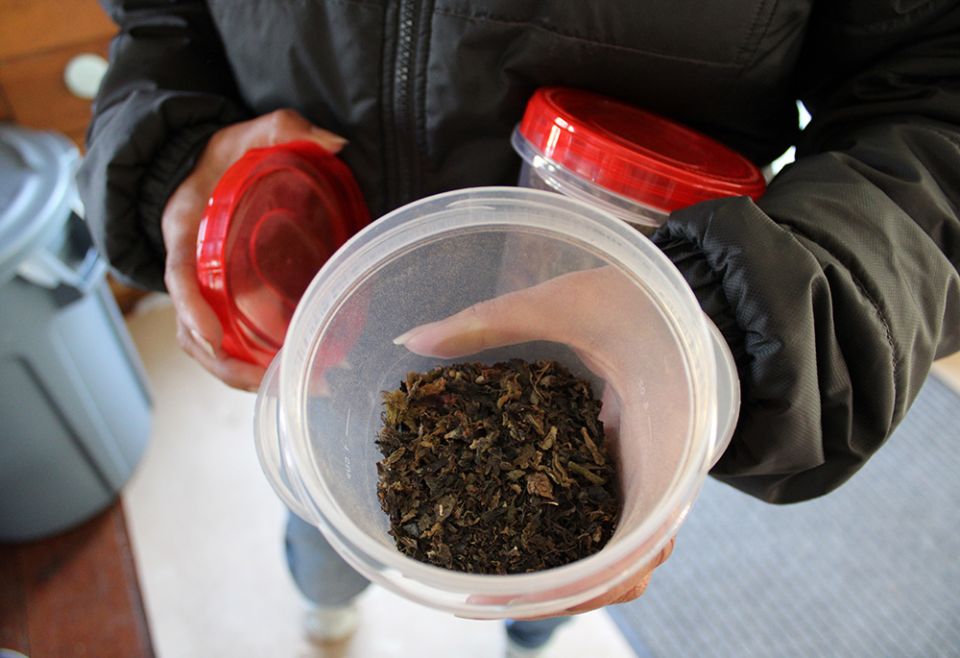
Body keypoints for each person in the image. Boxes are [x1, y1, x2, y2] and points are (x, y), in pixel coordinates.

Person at [77, 1, 960, 655]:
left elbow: (932, 93)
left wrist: (731, 316)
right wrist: (171, 150)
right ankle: (327, 611)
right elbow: (160, 18)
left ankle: (530, 637)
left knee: (560, 578)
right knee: (327, 533)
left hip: (628, 340)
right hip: (332, 337)